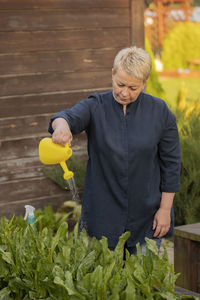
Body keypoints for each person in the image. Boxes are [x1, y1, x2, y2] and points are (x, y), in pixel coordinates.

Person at [48, 46, 181, 254]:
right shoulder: (95, 106)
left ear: (145, 83)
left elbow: (171, 164)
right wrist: (62, 127)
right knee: (104, 285)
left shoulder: (160, 112)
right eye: (120, 84)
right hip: (102, 219)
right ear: (112, 73)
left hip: (147, 219)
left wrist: (165, 210)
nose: (124, 93)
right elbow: (65, 117)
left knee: (143, 284)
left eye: (133, 88)